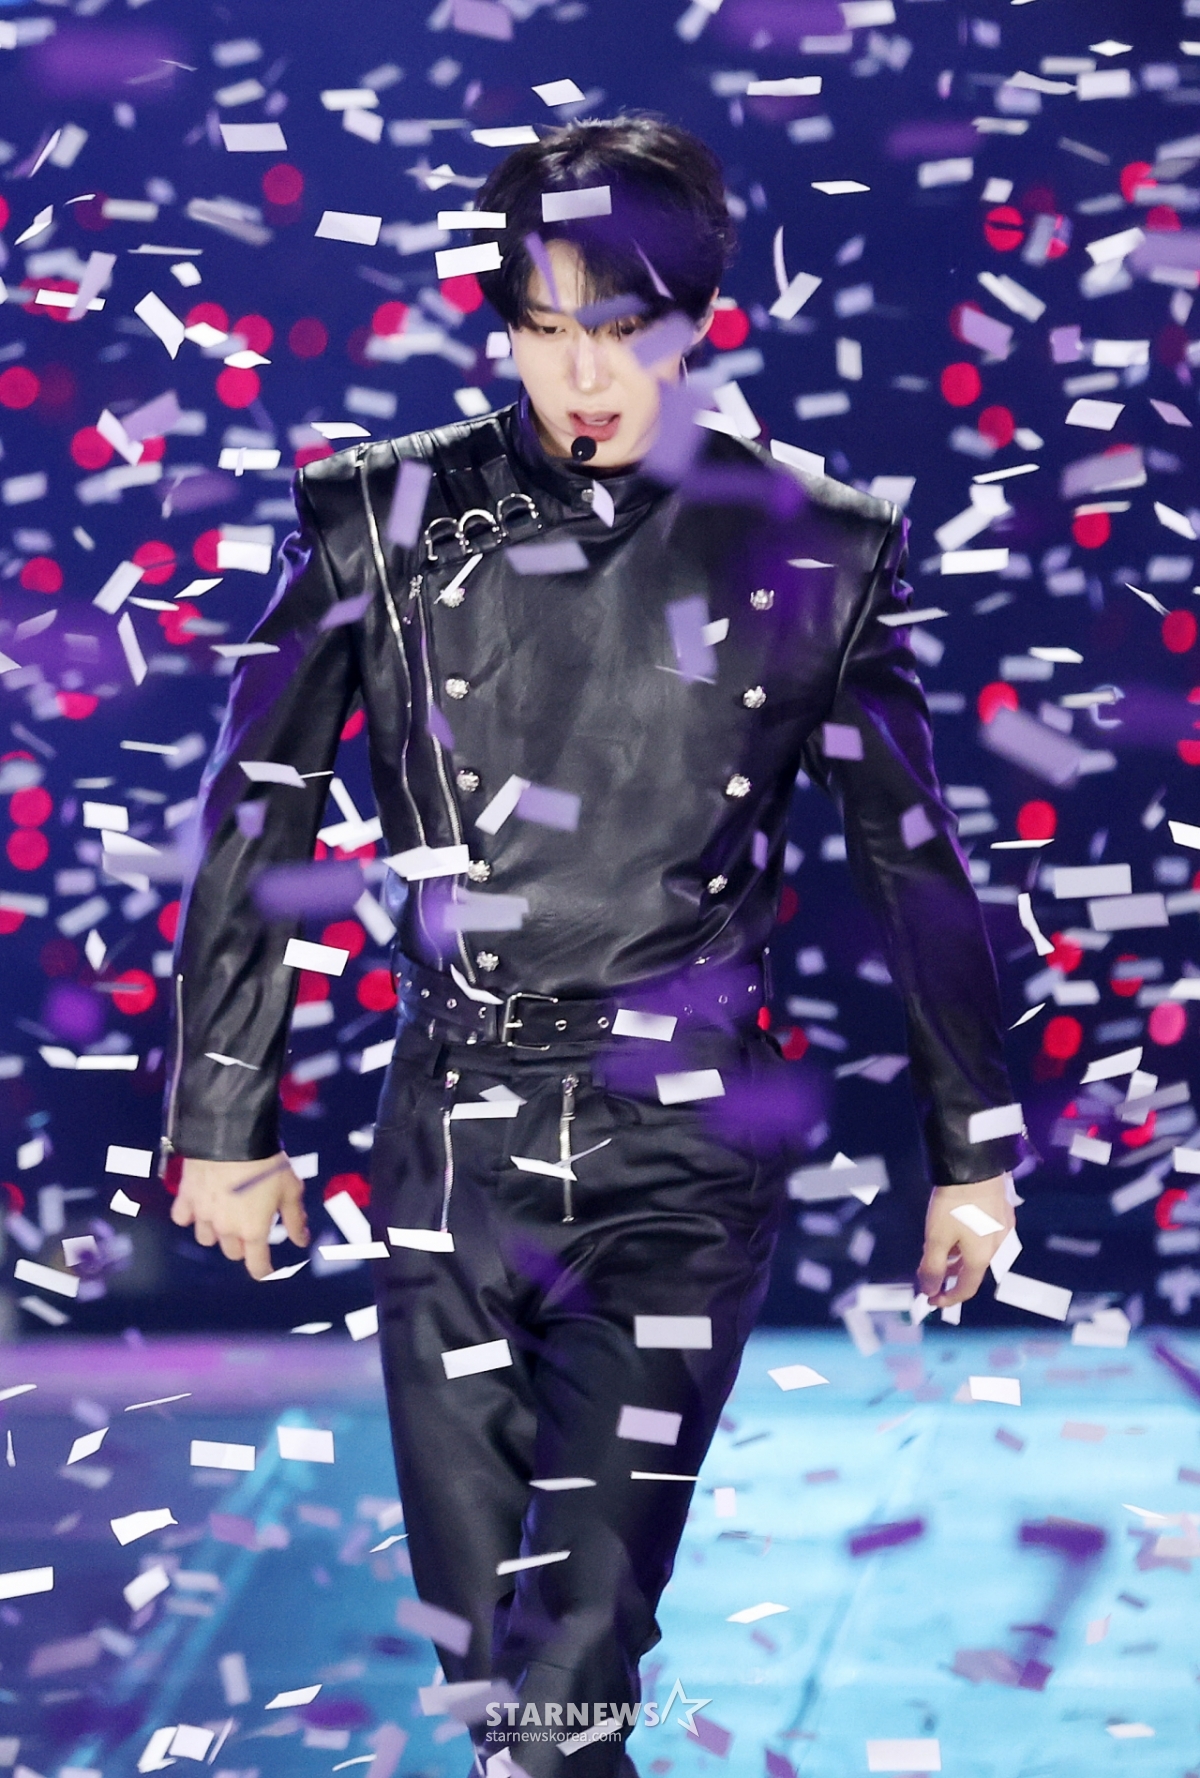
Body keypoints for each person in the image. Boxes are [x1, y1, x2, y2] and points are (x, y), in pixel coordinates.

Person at [164, 114, 1021, 1777]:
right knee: (508, 1699)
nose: (585, 373)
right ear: (500, 323)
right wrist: (223, 1120)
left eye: (623, 328)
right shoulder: (378, 517)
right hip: (452, 1148)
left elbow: (911, 859)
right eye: (547, 327)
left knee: (564, 1667)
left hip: (680, 1155)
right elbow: (256, 812)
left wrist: (972, 1150)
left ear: (697, 322)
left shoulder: (815, 542)